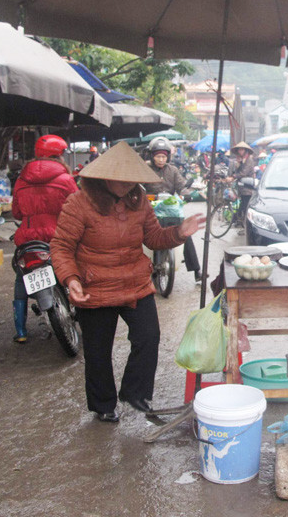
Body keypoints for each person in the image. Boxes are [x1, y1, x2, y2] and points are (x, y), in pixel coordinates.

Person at [50, 142, 205, 423]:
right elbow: (61, 246)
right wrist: (71, 279)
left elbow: (154, 239)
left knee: (149, 336)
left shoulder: (139, 200)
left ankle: (135, 392)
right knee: (98, 351)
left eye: (132, 179)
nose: (127, 185)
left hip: (135, 283)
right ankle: (103, 405)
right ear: (104, 176)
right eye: (121, 179)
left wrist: (179, 233)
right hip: (95, 287)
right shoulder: (79, 203)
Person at [10, 135, 78, 343]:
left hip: (28, 239)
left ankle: (21, 331)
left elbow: (16, 213)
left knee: (22, 276)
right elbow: (77, 207)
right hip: (59, 236)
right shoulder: (66, 179)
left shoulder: (21, 180)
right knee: (77, 268)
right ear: (59, 155)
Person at [143, 137, 203, 283]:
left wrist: (186, 194)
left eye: (164, 156)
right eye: (158, 156)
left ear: (168, 157)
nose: (161, 159)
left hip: (169, 211)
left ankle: (196, 270)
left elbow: (181, 186)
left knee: (185, 232)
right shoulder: (145, 169)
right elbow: (138, 187)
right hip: (150, 211)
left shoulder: (173, 170)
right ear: (152, 156)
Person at [226, 141, 256, 231]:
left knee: (245, 206)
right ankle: (240, 221)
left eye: (242, 149)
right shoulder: (241, 160)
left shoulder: (249, 160)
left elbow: (244, 172)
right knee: (242, 204)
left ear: (245, 150)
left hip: (248, 186)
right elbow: (237, 170)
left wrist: (233, 177)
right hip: (242, 186)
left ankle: (245, 224)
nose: (240, 151)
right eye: (239, 149)